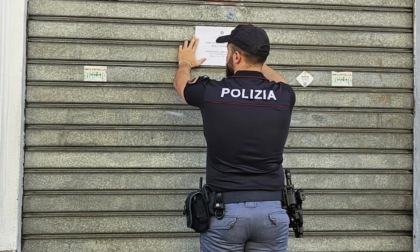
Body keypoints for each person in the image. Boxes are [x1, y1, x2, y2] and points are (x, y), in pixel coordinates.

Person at [173, 24, 295, 252]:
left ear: (236, 56)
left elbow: (181, 86)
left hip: (225, 212)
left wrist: (185, 63)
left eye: (229, 52)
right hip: (272, 213)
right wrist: (256, 60)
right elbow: (281, 81)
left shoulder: (212, 91)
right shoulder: (284, 95)